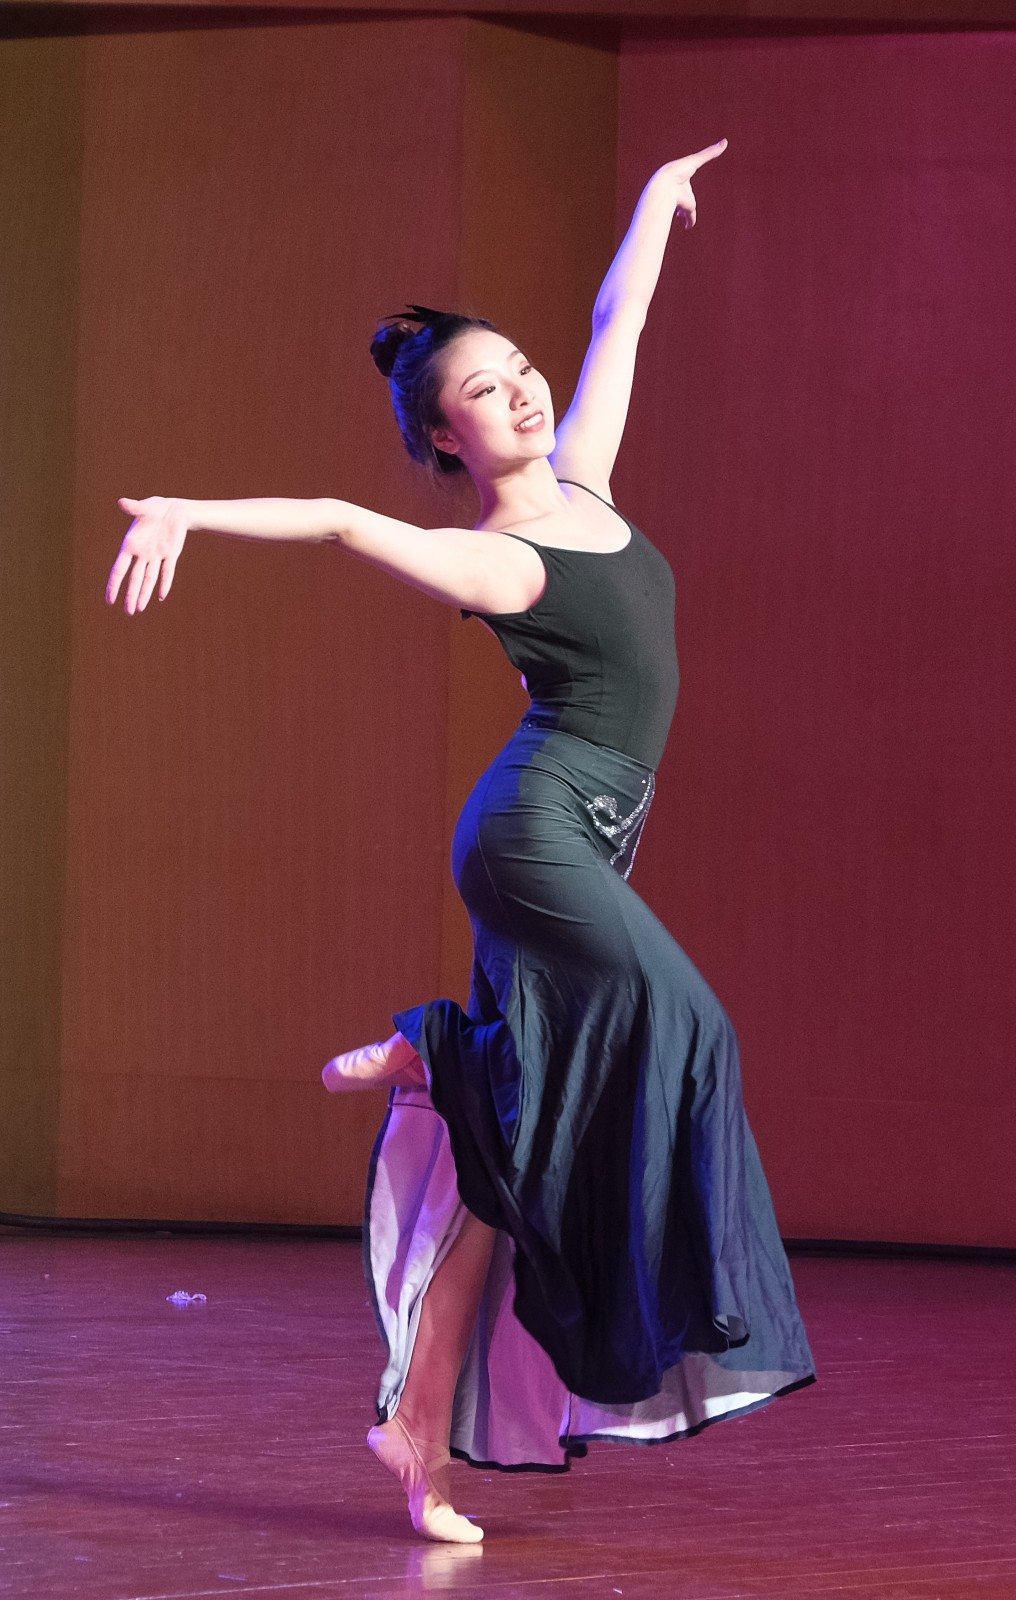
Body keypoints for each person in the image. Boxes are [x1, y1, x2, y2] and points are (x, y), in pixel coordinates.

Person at [107, 138, 816, 1546]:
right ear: (447, 439)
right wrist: (187, 509)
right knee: (690, 1022)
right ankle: (443, 1050)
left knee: (506, 1160)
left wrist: (655, 203)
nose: (524, 391)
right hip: (535, 835)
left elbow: (619, 321)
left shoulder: (590, 485)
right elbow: (336, 523)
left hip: (589, 841)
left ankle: (417, 1435)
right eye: (484, 392)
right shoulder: (500, 558)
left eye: (519, 369)